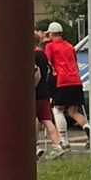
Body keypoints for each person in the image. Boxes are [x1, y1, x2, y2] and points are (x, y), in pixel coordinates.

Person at [44, 22, 89, 147]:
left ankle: (64, 140)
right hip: (76, 80)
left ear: (51, 34)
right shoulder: (70, 46)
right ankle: (88, 128)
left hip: (62, 80)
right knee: (73, 111)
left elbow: (48, 63)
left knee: (57, 109)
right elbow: (75, 62)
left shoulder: (50, 46)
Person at [34, 31, 62, 160]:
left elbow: (36, 73)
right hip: (45, 92)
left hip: (35, 93)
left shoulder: (32, 55)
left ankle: (34, 146)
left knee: (33, 119)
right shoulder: (43, 55)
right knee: (47, 120)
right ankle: (57, 146)